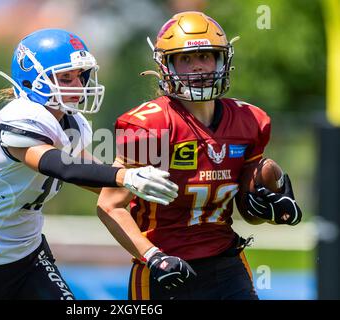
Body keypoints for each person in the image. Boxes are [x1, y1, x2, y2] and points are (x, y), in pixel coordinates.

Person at [0, 28, 179, 300]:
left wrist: (155, 193)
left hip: (28, 256)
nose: (77, 86)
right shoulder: (18, 117)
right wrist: (126, 177)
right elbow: (59, 165)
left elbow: (93, 175)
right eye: (66, 77)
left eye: (80, 76)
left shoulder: (72, 123)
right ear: (31, 81)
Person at [97, 11, 302, 300]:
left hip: (226, 264)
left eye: (205, 56)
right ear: (166, 66)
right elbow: (109, 206)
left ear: (222, 60)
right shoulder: (149, 125)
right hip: (167, 269)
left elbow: (247, 208)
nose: (198, 67)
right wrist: (153, 257)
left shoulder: (250, 121)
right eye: (185, 59)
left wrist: (271, 207)